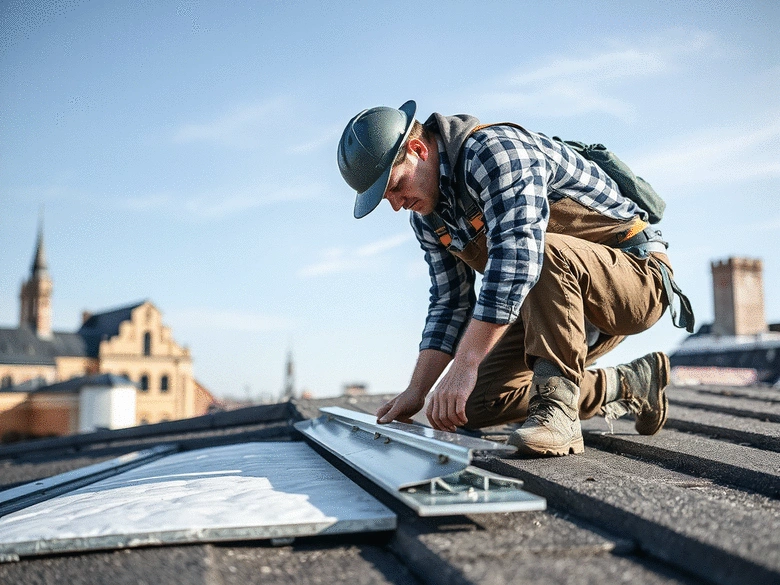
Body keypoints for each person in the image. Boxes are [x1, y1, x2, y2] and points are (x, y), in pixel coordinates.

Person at [336, 100, 692, 456]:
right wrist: (418, 390)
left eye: (395, 186)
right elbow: (450, 302)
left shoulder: (495, 153)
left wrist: (465, 362)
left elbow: (518, 260)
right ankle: (629, 383)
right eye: (386, 199)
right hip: (551, 306)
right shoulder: (429, 219)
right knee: (472, 405)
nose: (396, 204)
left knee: (543, 251)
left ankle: (559, 416)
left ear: (418, 149)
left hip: (635, 280)